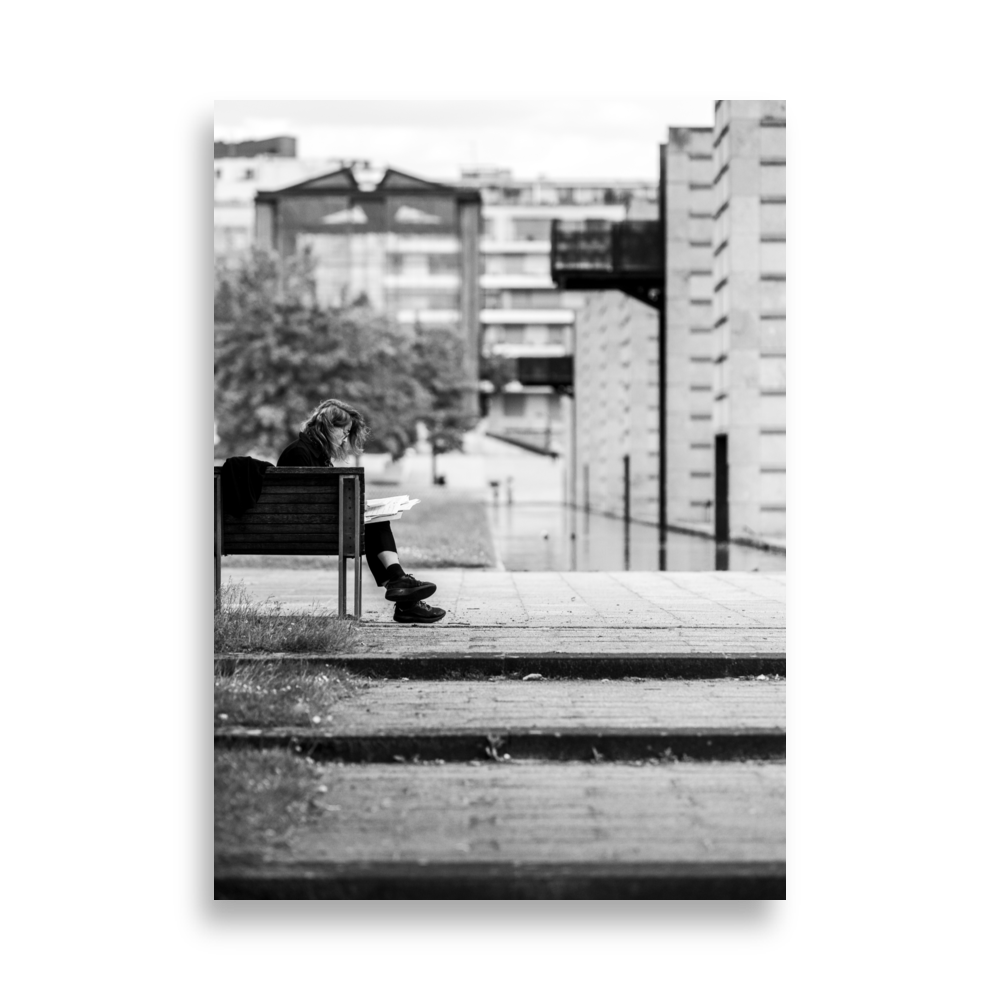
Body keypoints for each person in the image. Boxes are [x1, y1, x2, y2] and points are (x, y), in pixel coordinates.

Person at [277, 399, 446, 624]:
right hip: (303, 532)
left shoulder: (310, 452)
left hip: (309, 527)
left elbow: (318, 500)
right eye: (344, 432)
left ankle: (403, 593)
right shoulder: (301, 454)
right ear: (327, 425)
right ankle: (400, 586)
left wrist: (354, 504)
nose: (344, 439)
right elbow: (307, 504)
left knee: (375, 520)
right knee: (374, 523)